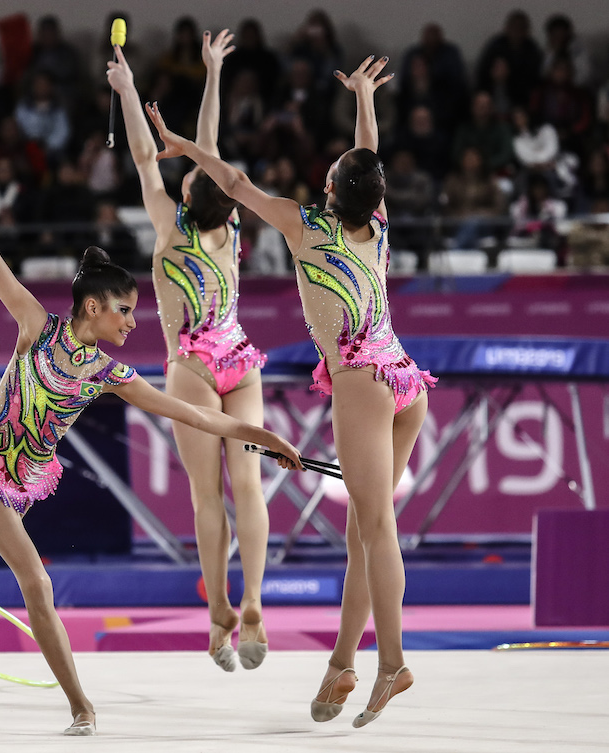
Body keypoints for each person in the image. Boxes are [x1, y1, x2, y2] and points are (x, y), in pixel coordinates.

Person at [0, 150, 304, 735]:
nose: (133, 323)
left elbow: (194, 416)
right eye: (124, 311)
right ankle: (81, 707)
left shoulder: (107, 373)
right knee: (36, 581)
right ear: (93, 307)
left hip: (23, 480)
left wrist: (260, 434)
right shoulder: (35, 328)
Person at [146, 54, 436, 726]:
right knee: (367, 531)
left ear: (333, 188)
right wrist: (364, 97)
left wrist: (185, 146)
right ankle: (342, 661)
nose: (331, 168)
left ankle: (392, 660)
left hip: (363, 381)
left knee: (375, 527)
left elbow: (237, 182)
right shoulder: (378, 220)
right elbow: (370, 155)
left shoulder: (309, 228)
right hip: (406, 377)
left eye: (333, 169)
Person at [109, 28, 273, 674]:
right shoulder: (231, 224)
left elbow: (148, 158)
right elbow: (206, 152)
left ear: (185, 196)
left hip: (192, 367)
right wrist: (212, 75)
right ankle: (255, 601)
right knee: (249, 488)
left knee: (209, 498)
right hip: (239, 356)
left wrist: (125, 90)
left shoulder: (170, 233)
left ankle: (218, 617)